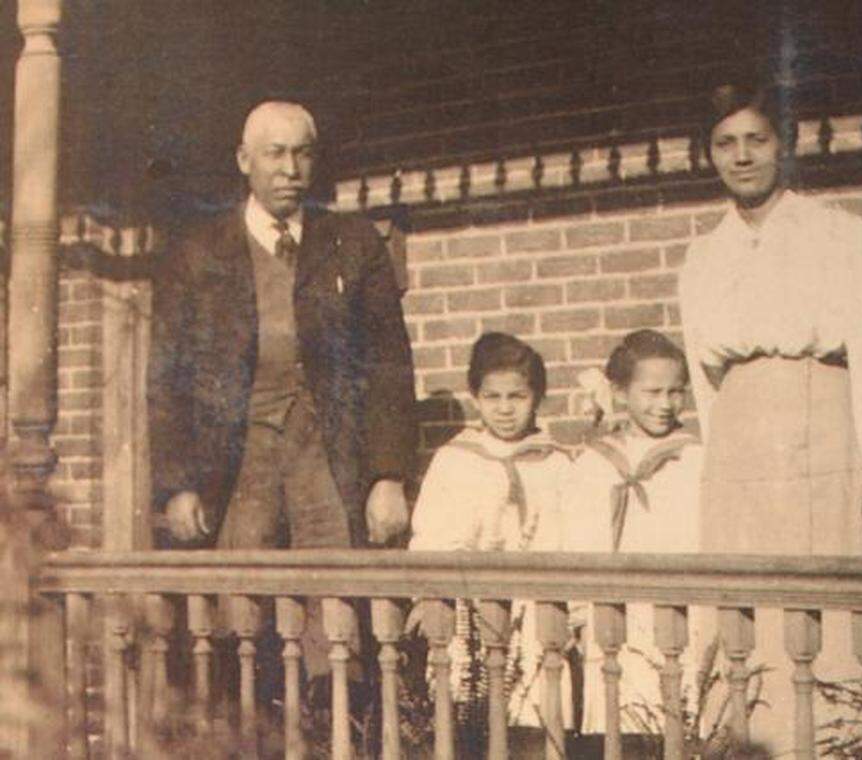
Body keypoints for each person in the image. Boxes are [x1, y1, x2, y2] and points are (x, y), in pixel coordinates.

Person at [678, 81, 862, 755]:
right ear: (710, 154)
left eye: (757, 139)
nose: (742, 156)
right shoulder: (703, 256)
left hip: (827, 439)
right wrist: (723, 476)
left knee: (835, 618)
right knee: (751, 620)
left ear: (784, 144)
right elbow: (706, 385)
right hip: (741, 455)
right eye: (725, 143)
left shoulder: (841, 235)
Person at [147, 100, 416, 693]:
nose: (289, 168)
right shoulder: (197, 251)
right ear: (245, 161)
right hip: (239, 456)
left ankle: (334, 734)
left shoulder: (351, 242)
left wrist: (389, 475)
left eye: (302, 153)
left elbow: (391, 365)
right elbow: (168, 379)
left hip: (327, 449)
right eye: (274, 153)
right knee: (236, 607)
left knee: (336, 605)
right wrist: (178, 484)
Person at [408, 332, 574, 755]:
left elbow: (570, 538)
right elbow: (430, 535)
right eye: (492, 396)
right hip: (469, 612)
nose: (504, 409)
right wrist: (429, 596)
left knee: (534, 717)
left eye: (516, 397)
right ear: (476, 398)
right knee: (467, 716)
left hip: (534, 611)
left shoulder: (556, 462)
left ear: (537, 397)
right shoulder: (455, 460)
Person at [563, 330, 705, 755]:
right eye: (652, 391)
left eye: (676, 392)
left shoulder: (695, 459)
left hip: (682, 611)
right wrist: (578, 611)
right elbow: (576, 541)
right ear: (621, 393)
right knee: (620, 725)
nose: (665, 404)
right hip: (616, 617)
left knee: (680, 720)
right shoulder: (593, 462)